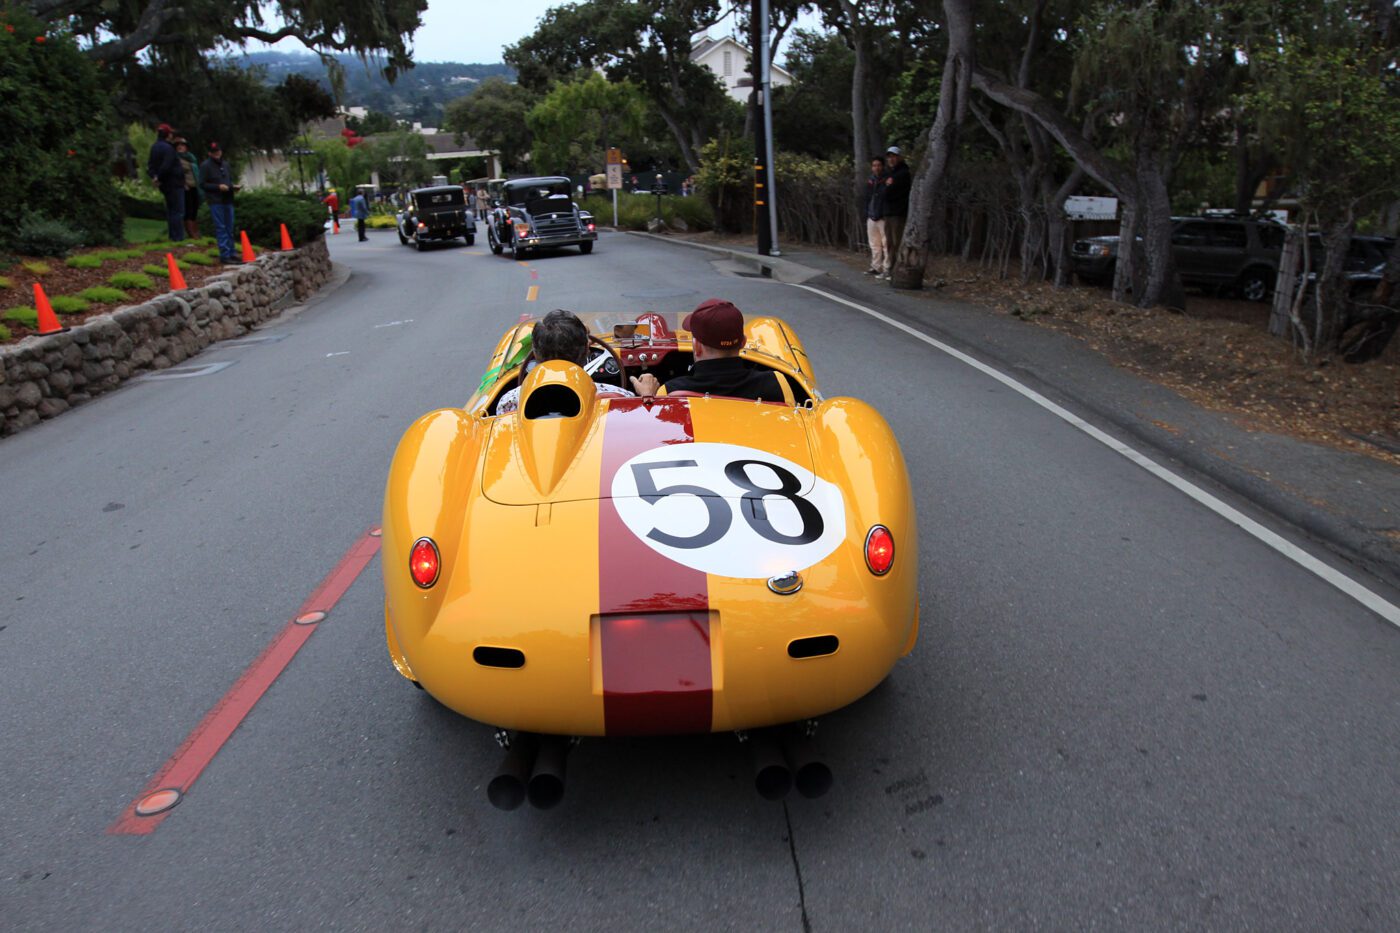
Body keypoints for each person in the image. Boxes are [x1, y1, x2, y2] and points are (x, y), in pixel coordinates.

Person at [629, 299, 786, 402]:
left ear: (696, 347)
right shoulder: (777, 383)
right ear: (743, 342)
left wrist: (647, 397)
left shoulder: (670, 391)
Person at [495, 310, 636, 414]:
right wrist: (648, 396)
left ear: (535, 354)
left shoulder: (509, 402)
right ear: (587, 350)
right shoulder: (619, 397)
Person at [200, 142, 239, 263]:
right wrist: (217, 187)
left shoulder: (226, 165)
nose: (217, 154)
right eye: (214, 152)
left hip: (228, 199)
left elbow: (228, 181)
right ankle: (225, 254)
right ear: (210, 153)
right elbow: (202, 184)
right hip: (216, 200)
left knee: (229, 227)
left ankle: (232, 252)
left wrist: (233, 187)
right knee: (221, 228)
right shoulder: (205, 166)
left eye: (218, 151)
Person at [146, 123, 186, 241]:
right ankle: (177, 237)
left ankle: (173, 235)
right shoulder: (168, 148)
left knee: (171, 210)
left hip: (165, 184)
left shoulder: (154, 147)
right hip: (174, 183)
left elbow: (150, 166)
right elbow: (166, 166)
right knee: (178, 211)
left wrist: (154, 177)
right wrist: (159, 177)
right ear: (168, 135)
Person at [883, 145, 912, 274]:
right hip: (888, 212)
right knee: (889, 242)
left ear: (899, 157)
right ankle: (890, 267)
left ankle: (897, 268)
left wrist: (888, 188)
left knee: (897, 241)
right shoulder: (890, 173)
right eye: (889, 157)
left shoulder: (903, 173)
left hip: (898, 212)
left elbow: (892, 192)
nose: (891, 159)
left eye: (893, 156)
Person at [864, 155, 888, 278]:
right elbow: (867, 197)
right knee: (874, 243)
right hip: (871, 214)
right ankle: (875, 266)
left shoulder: (887, 180)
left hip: (882, 216)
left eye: (878, 165)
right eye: (874, 165)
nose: (876, 168)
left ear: (882, 166)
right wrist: (867, 212)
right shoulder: (870, 180)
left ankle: (887, 268)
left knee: (886, 243)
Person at [174, 137, 202, 240]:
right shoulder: (176, 159)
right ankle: (191, 233)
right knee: (188, 209)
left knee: (194, 208)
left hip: (195, 186)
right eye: (178, 145)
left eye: (182, 145)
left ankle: (196, 231)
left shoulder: (191, 158)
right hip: (185, 187)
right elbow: (176, 174)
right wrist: (183, 183)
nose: (180, 147)